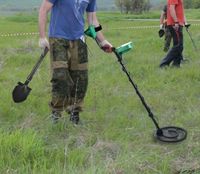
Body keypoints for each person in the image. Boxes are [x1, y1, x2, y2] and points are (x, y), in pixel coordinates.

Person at [38, 0, 113, 124]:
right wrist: (42, 37)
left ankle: (74, 114)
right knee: (60, 76)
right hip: (58, 39)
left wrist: (103, 41)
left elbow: (93, 21)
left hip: (79, 39)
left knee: (81, 79)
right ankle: (56, 113)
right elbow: (43, 10)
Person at [160, 0, 188, 68]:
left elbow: (180, 11)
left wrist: (185, 22)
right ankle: (163, 64)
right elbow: (171, 8)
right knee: (178, 45)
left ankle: (176, 64)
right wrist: (176, 22)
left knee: (178, 45)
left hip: (178, 23)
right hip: (175, 24)